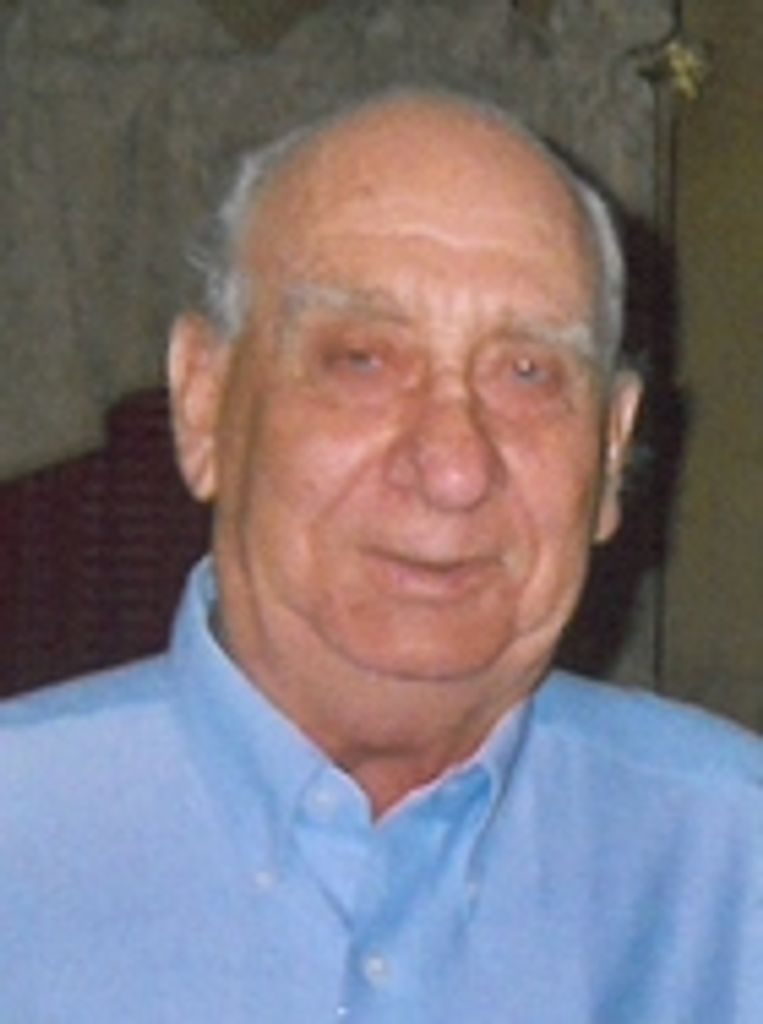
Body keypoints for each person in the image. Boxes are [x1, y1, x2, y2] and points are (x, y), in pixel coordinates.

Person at [1, 88, 761, 1023]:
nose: (453, 466)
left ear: (611, 450)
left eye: (527, 373)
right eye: (362, 359)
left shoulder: (734, 873)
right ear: (203, 404)